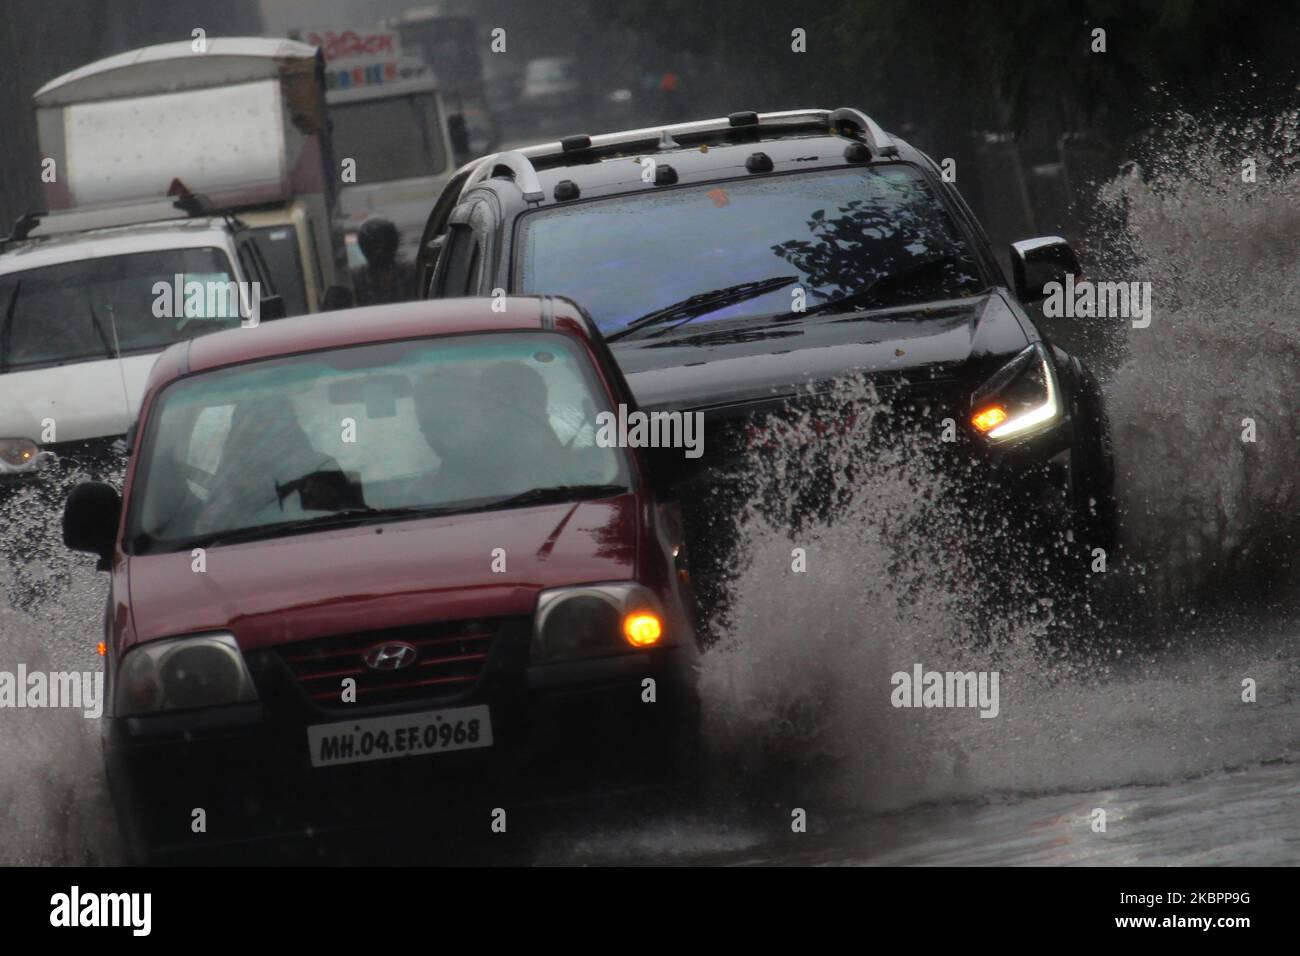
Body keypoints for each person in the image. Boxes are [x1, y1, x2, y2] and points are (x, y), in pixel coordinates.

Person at [351, 216, 416, 305]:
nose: (377, 250)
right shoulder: (356, 279)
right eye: (370, 244)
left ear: (392, 243)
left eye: (379, 243)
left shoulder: (411, 272)